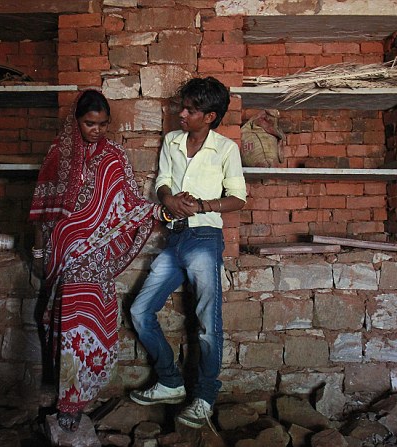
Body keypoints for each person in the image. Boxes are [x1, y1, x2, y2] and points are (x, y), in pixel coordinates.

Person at [29, 89, 169, 433]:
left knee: (97, 331)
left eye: (103, 124)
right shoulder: (58, 155)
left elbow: (128, 202)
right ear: (75, 120)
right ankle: (69, 405)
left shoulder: (114, 155)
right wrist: (38, 253)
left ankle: (80, 397)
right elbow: (42, 212)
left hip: (98, 260)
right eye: (90, 123)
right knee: (69, 329)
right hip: (64, 258)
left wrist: (156, 211)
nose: (97, 130)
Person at [129, 77, 247, 430]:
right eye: (182, 107)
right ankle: (170, 380)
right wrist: (168, 199)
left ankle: (205, 397)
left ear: (209, 116)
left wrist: (201, 205)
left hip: (205, 238)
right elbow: (163, 181)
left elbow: (238, 198)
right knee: (139, 310)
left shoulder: (225, 149)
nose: (182, 113)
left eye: (191, 110)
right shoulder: (172, 141)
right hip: (174, 239)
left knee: (208, 324)